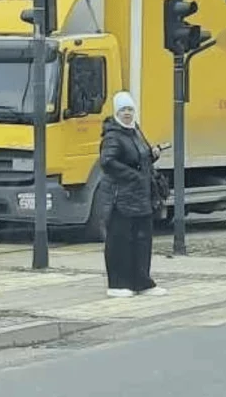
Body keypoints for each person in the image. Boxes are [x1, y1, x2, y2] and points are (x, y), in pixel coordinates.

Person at [99, 91, 168, 298]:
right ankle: (118, 284)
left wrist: (152, 155)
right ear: (116, 113)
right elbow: (107, 162)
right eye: (123, 110)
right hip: (121, 198)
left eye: (130, 109)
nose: (127, 113)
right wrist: (134, 176)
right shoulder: (113, 135)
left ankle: (142, 282)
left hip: (141, 197)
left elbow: (139, 158)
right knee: (120, 240)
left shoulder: (135, 131)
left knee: (142, 240)